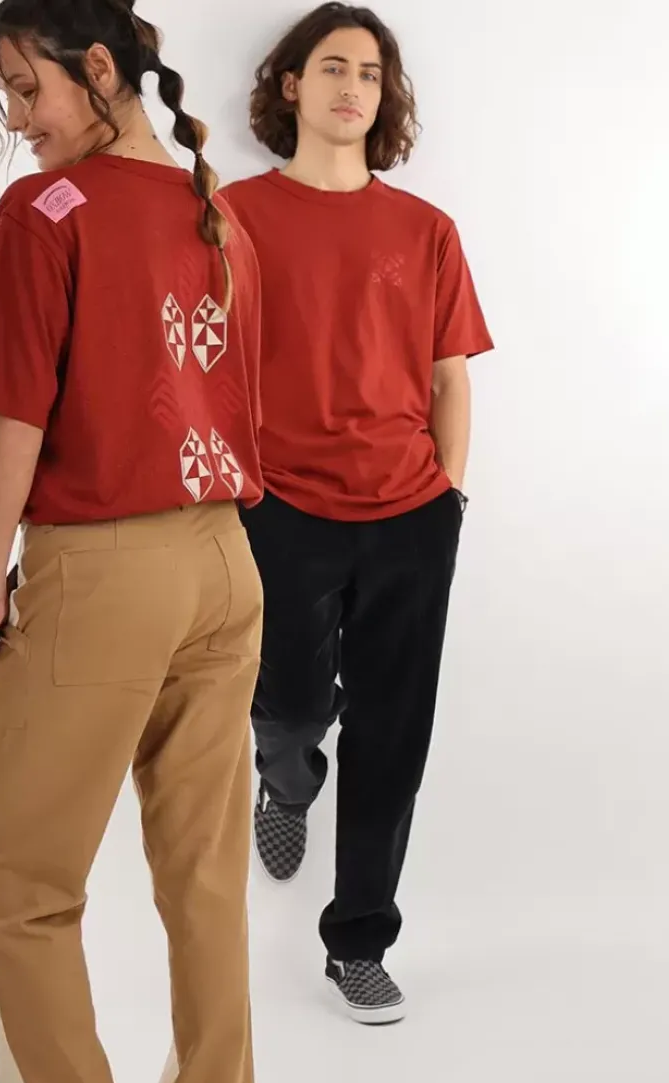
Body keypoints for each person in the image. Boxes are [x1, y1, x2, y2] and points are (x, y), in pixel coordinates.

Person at [0, 3, 265, 1083]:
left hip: (102, 575)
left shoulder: (48, 213)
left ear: (97, 69)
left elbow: (14, 415)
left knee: (20, 892)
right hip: (227, 566)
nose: (19, 122)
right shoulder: (216, 211)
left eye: (28, 90)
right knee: (205, 887)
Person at [220, 2, 493, 1025]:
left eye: (371, 74)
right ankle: (287, 778)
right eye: (333, 67)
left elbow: (451, 375)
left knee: (393, 734)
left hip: (412, 513)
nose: (353, 88)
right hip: (281, 504)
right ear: (290, 85)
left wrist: (449, 496)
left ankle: (360, 943)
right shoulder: (235, 215)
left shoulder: (425, 230)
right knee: (290, 704)